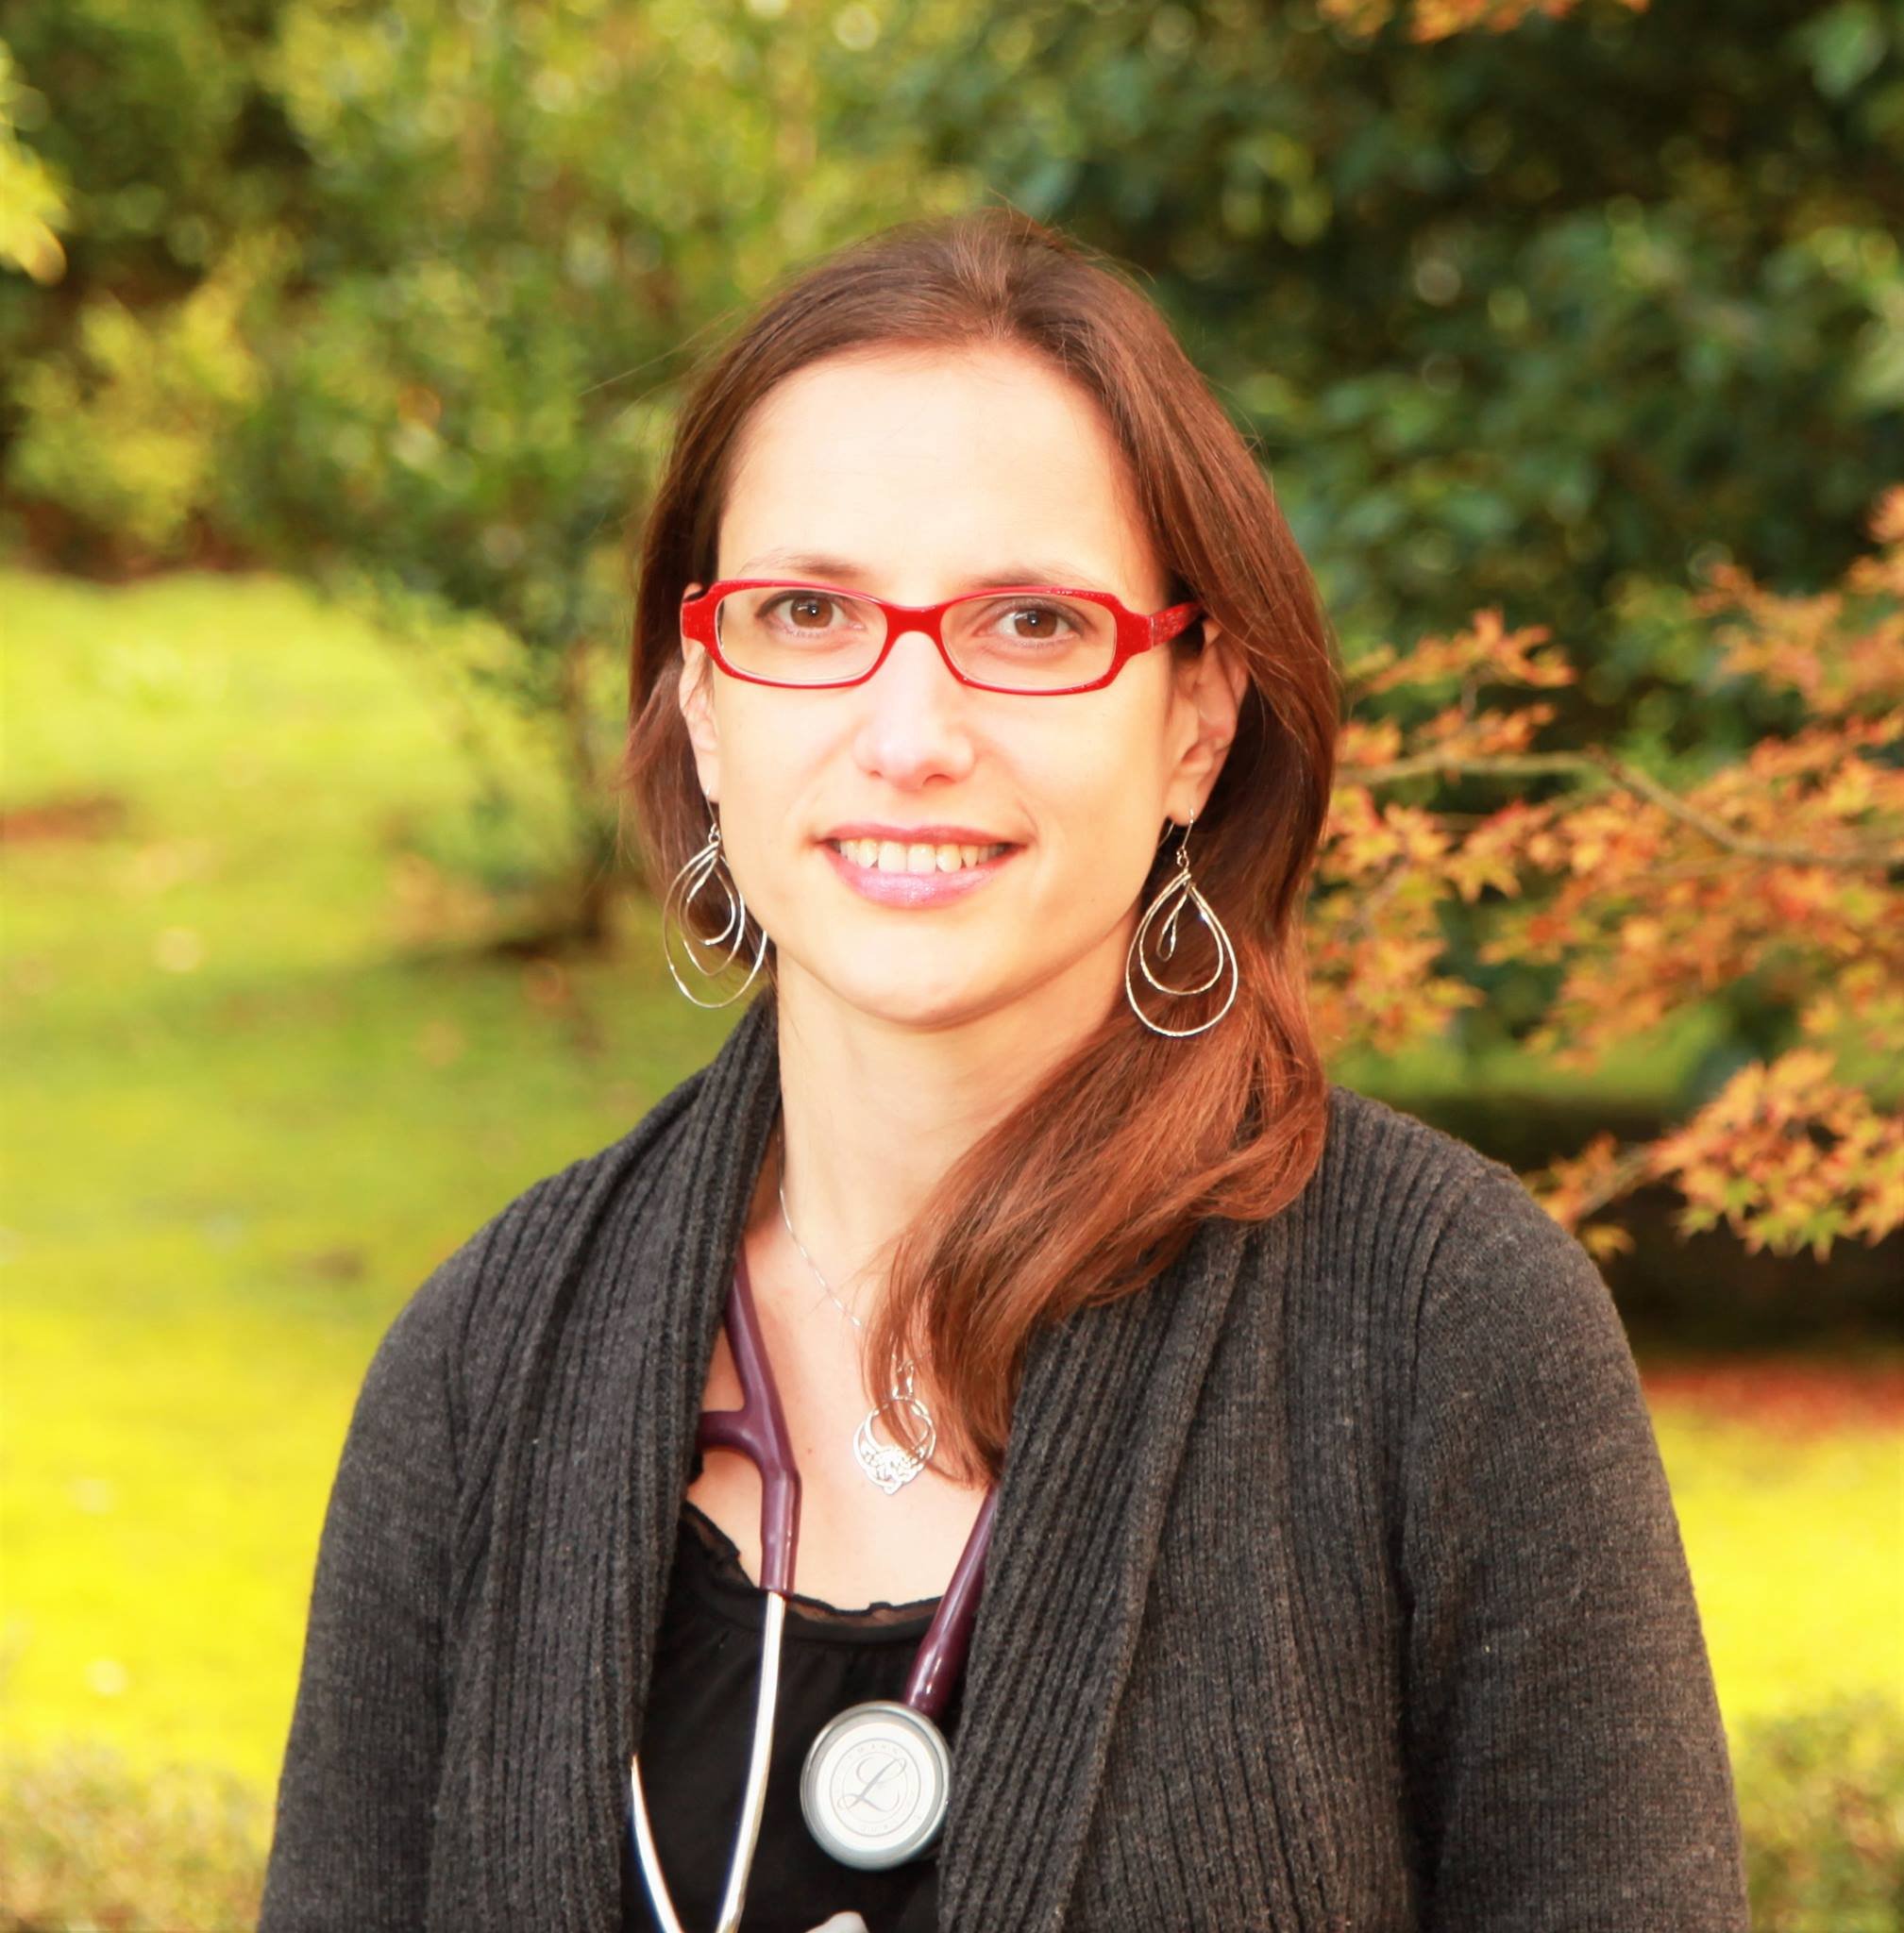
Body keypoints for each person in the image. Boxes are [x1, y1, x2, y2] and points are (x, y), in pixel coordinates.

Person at [259, 207, 1749, 1932]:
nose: (909, 734)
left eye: (1030, 625)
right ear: (705, 698)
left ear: (1195, 715)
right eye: (808, 610)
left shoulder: (1446, 1334)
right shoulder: (481, 1367)